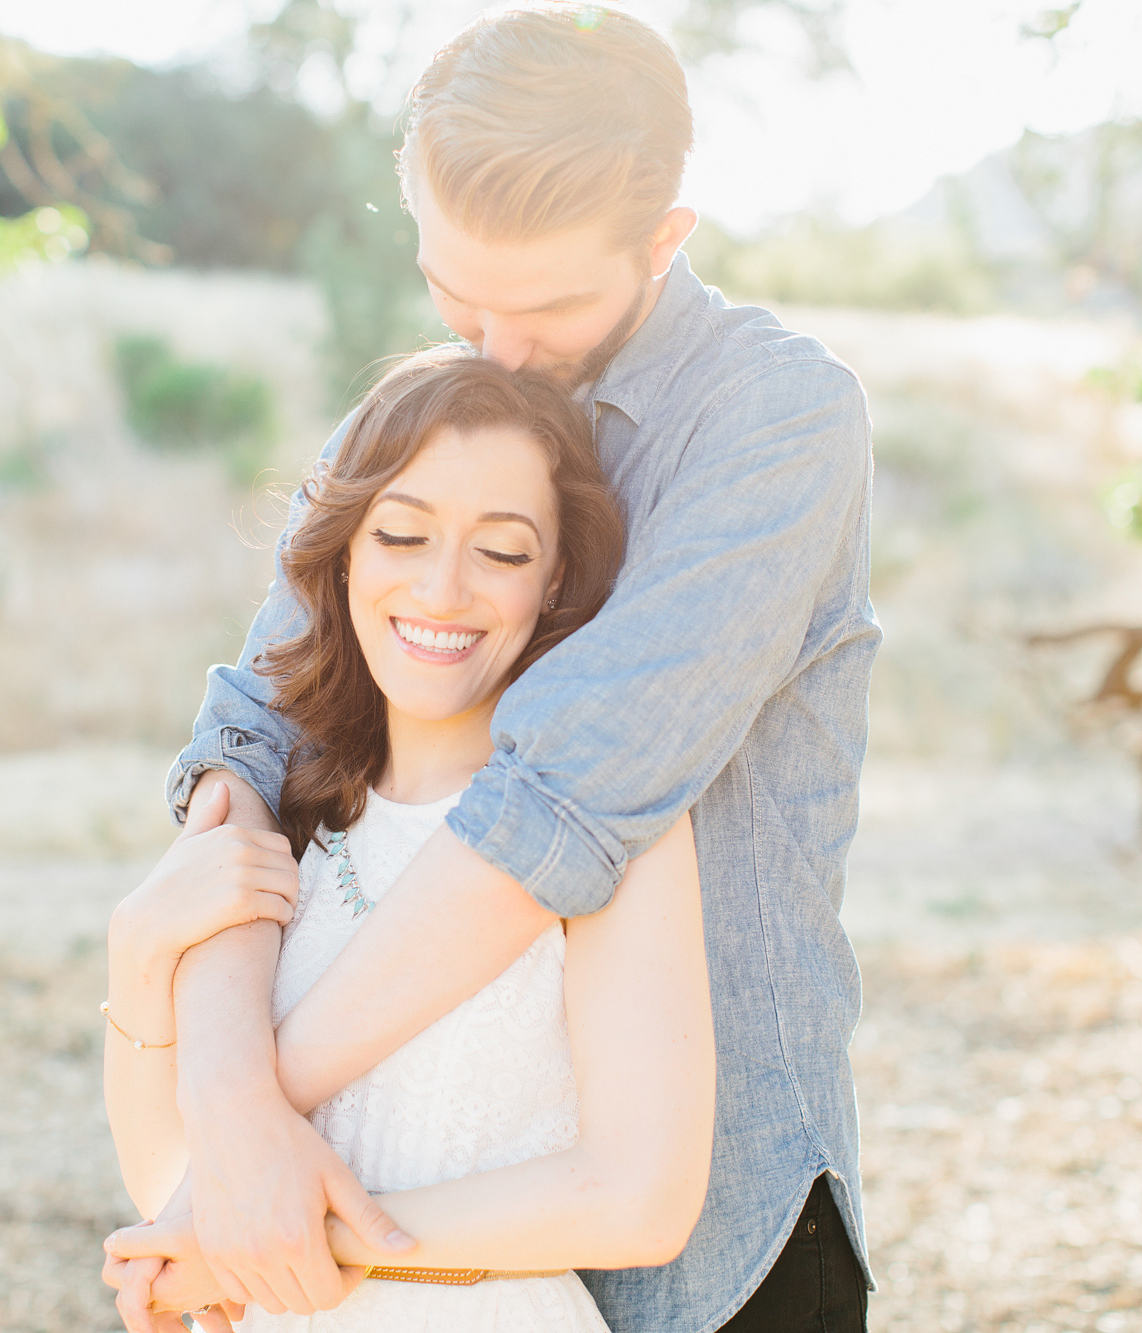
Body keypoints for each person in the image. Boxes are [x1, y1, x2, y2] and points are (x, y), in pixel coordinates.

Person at [112, 5, 878, 1331]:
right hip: (387, 1204)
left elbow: (565, 799)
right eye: (456, 296)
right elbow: (254, 735)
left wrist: (247, 1142)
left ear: (666, 238)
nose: (500, 350)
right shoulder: (422, 410)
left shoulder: (777, 418)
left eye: (551, 304)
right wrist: (231, 1116)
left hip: (712, 1236)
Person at [100, 347, 716, 1331]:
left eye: (502, 552)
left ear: (554, 582)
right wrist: (136, 960)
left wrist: (306, 1231)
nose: (441, 590)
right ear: (342, 551)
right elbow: (175, 1177)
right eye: (400, 534)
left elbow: (638, 1200)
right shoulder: (279, 811)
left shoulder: (611, 828)